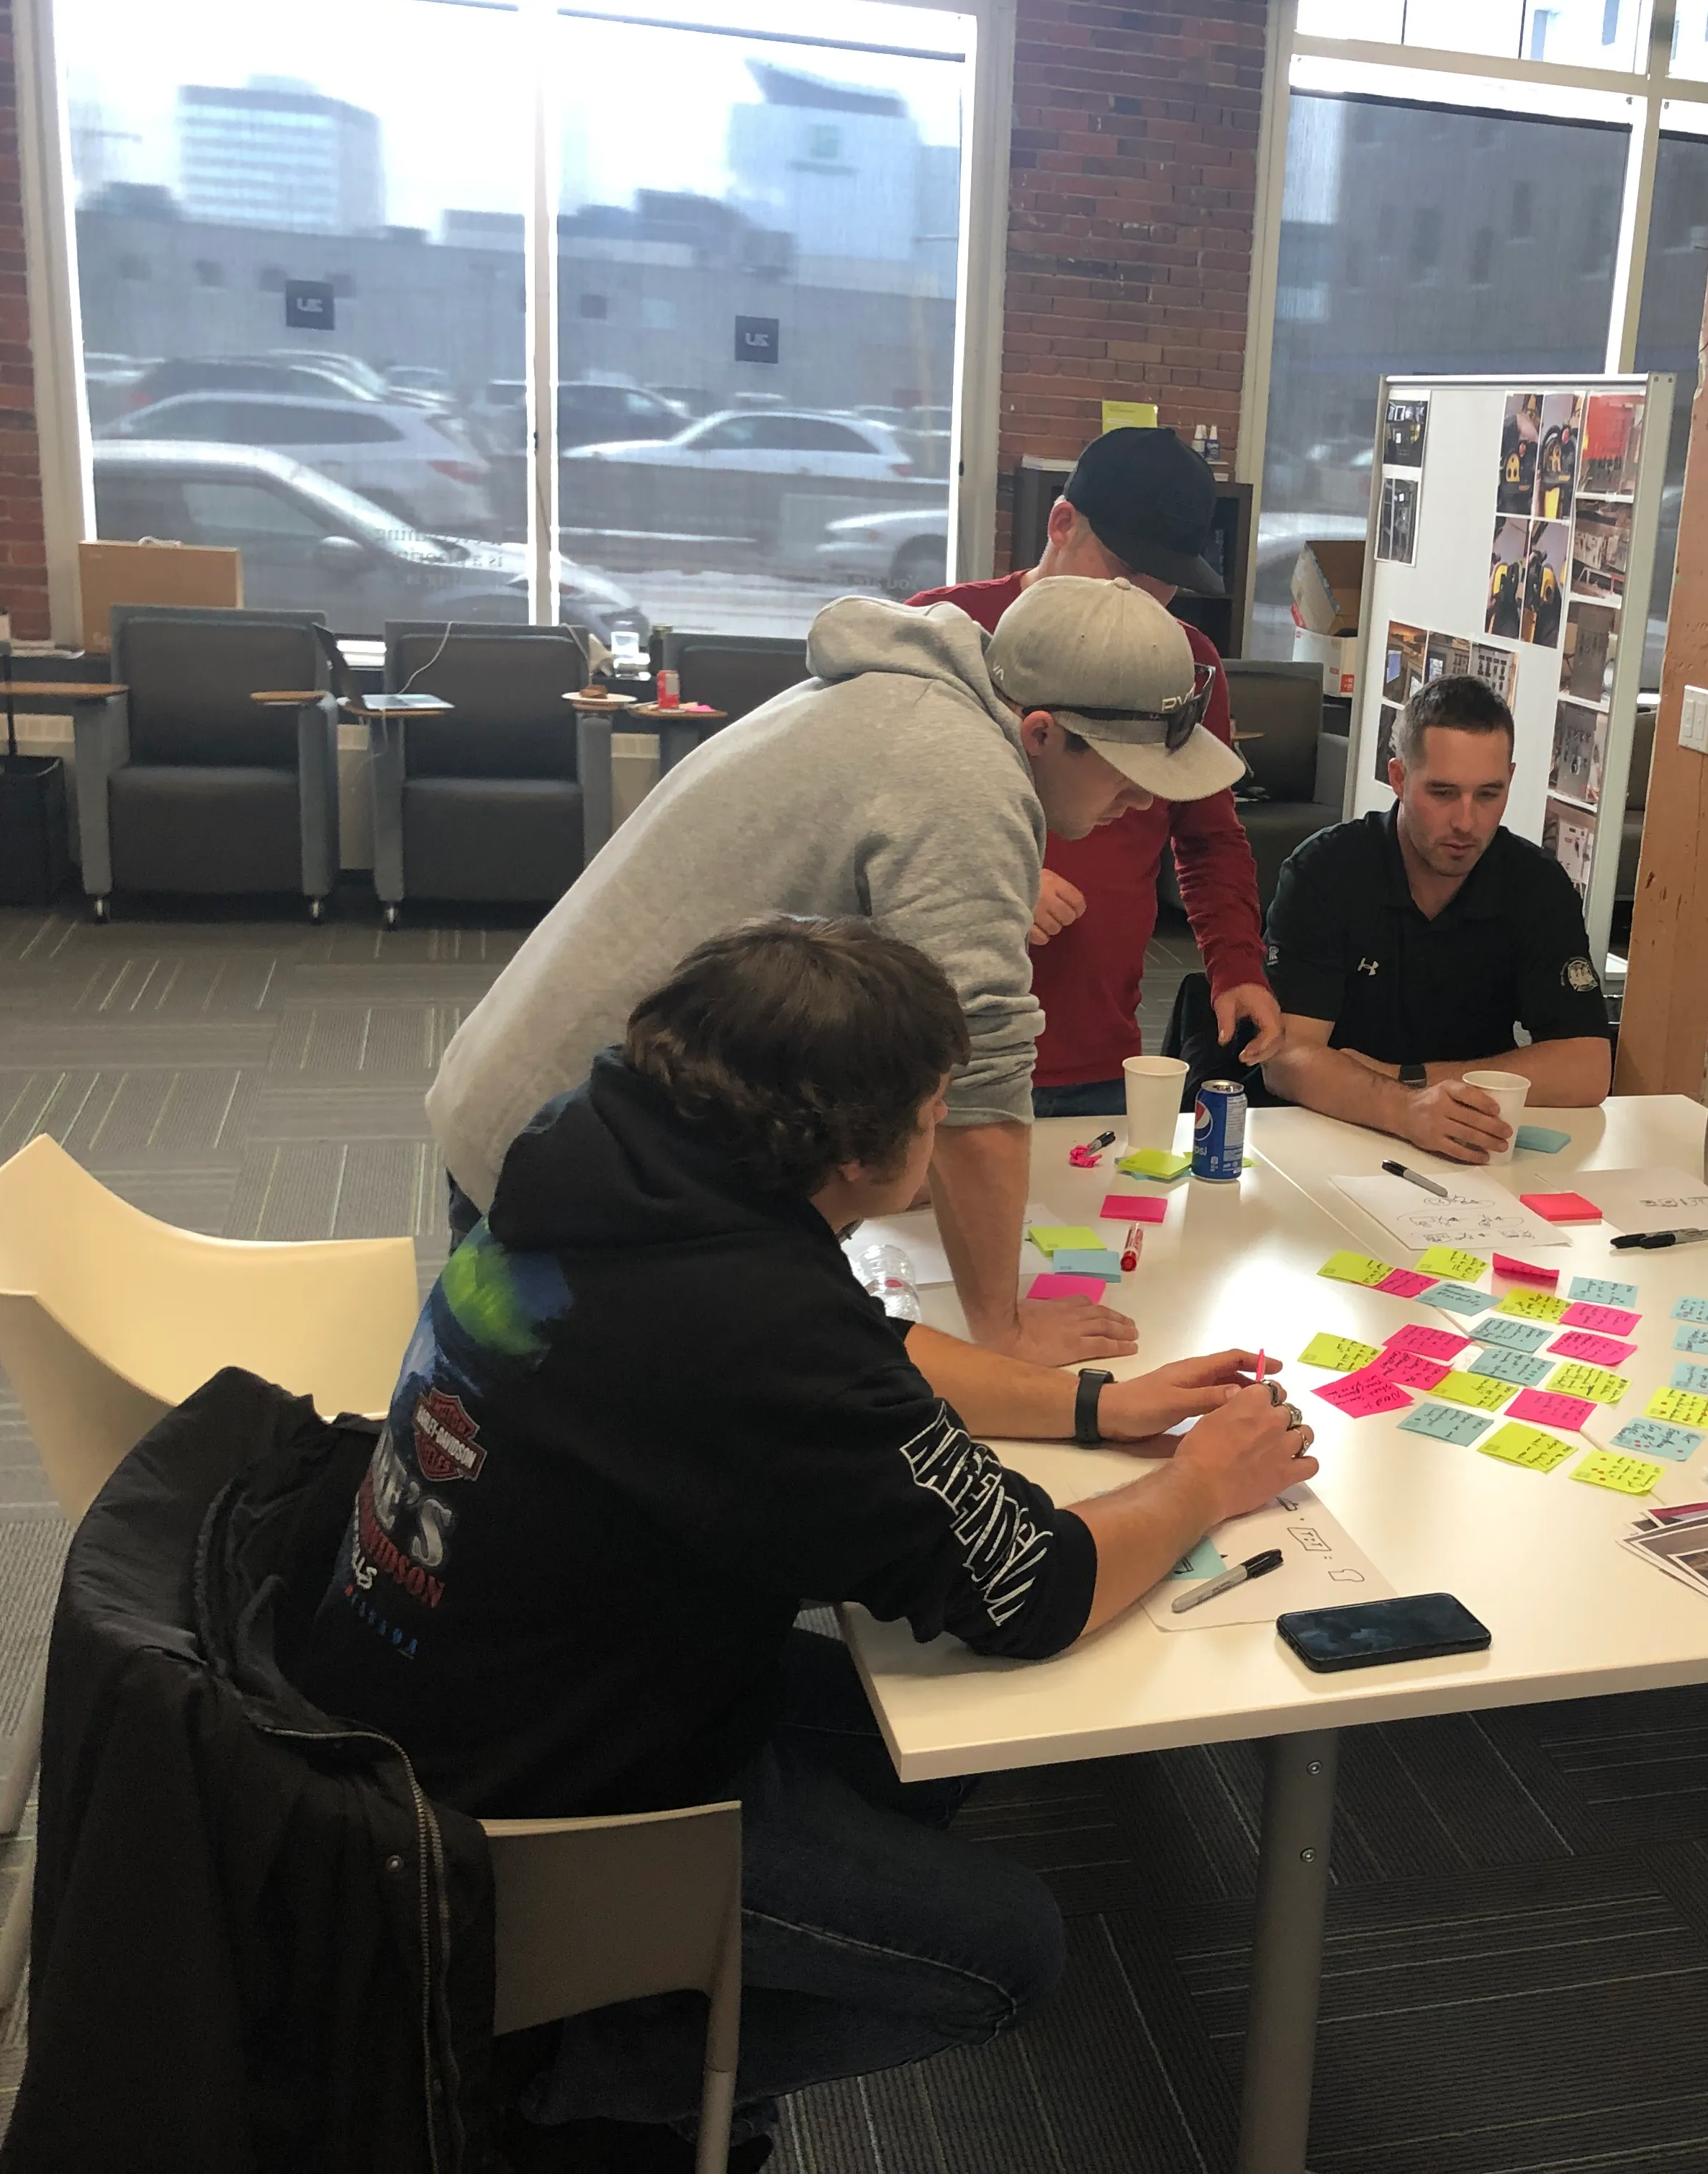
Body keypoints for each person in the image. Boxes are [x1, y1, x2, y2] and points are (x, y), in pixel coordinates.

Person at [297, 918, 1317, 2168]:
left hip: (425, 1696)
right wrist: (1208, 1480)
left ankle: (634, 1996)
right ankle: (550, 2063)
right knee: (1008, 1948)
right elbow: (1032, 1582)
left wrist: (1100, 1406)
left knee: (933, 1741)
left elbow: (859, 1343)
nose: (945, 1141)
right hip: (515, 1817)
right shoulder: (752, 1322)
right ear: (850, 1144)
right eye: (938, 1114)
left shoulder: (609, 1150)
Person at [426, 576, 1236, 1367]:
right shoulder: (963, 780)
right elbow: (982, 1069)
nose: (1145, 801)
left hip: (551, 1091)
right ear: (1041, 733)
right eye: (1131, 771)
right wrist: (1005, 1329)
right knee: (567, 1451)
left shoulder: (894, 696)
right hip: (565, 1148)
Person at [910, 427, 1280, 1117]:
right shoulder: (941, 633)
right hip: (941, 1050)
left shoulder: (1186, 664)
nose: (1137, 599)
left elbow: (1209, 836)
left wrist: (1236, 966)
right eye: (1121, 570)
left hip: (1097, 1048)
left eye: (1160, 581)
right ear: (1061, 523)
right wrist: (996, 878)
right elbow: (881, 819)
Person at [1259, 675, 1613, 1159]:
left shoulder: (1535, 885)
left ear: (1510, 780)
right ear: (1399, 779)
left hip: (1468, 1146)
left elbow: (1588, 1067)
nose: (1466, 822)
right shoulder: (1326, 871)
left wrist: (1408, 1081)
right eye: (1443, 793)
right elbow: (1285, 1058)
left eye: (1488, 794)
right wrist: (1406, 1110)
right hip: (1328, 1138)